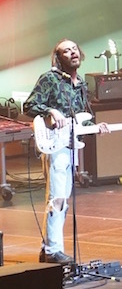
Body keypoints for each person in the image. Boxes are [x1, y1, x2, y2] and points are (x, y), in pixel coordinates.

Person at [23, 38, 110, 265]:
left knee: (63, 200)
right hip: (55, 144)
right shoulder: (49, 79)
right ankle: (53, 250)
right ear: (58, 58)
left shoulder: (80, 84)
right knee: (57, 198)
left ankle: (50, 248)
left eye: (74, 49)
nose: (72, 53)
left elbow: (81, 117)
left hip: (70, 145)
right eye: (66, 51)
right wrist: (51, 111)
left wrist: (96, 127)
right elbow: (29, 105)